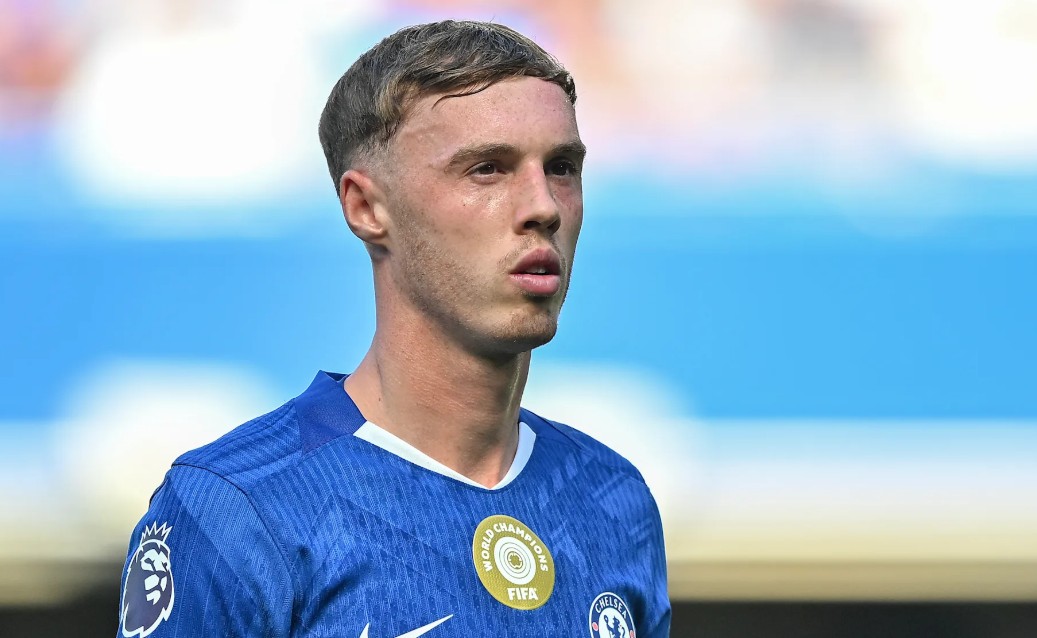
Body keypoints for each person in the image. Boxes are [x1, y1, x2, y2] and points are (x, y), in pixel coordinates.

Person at [116, 20, 670, 638]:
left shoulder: (613, 498)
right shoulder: (235, 510)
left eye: (562, 168)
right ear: (366, 207)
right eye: (488, 168)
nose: (543, 206)